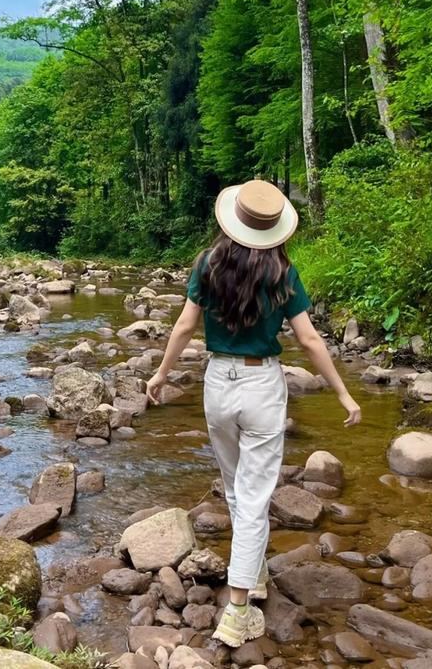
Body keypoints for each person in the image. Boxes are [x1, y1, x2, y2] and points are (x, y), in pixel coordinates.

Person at [145, 180, 361, 649]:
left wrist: (161, 374)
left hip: (218, 383)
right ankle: (238, 611)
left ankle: (255, 572)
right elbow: (309, 340)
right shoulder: (282, 273)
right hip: (262, 385)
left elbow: (184, 326)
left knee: (238, 486)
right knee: (255, 495)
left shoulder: (208, 263)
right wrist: (343, 393)